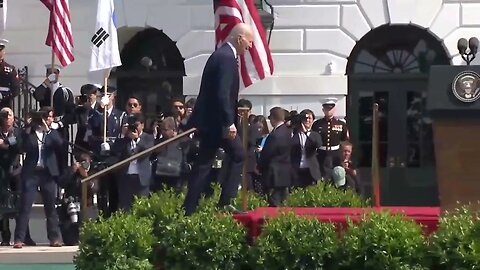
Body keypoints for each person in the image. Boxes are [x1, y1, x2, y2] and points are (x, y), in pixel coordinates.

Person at [183, 23, 253, 215]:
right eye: (249, 41)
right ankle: (225, 201)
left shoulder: (221, 55)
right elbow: (222, 94)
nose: (250, 46)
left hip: (210, 123)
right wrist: (228, 122)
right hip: (218, 124)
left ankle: (189, 208)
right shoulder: (226, 58)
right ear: (239, 38)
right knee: (239, 155)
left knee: (204, 165)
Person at [311, 97, 349, 180]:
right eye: (326, 109)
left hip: (336, 155)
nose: (328, 111)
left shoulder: (341, 124)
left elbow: (344, 140)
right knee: (322, 177)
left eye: (330, 109)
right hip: (321, 154)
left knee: (336, 177)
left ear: (334, 109)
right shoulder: (317, 124)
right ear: (323, 110)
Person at [0, 40, 20, 109]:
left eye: (1, 51)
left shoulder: (10, 69)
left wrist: (3, 96)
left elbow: (16, 88)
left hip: (4, 104)